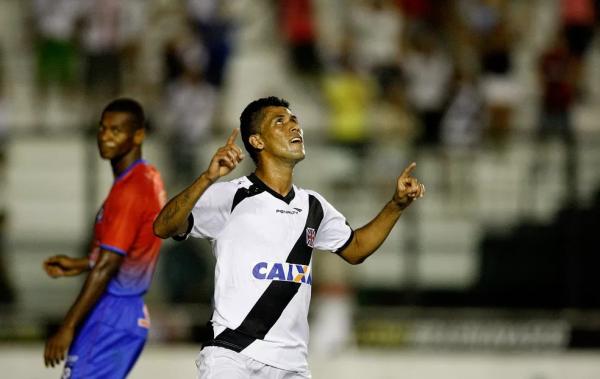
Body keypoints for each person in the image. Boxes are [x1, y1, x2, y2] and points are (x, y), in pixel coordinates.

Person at [153, 96, 425, 378]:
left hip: (292, 363)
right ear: (257, 141)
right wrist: (207, 178)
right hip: (233, 354)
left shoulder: (314, 206)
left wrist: (396, 205)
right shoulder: (232, 195)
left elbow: (356, 249)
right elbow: (163, 226)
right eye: (280, 121)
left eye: (294, 120)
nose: (294, 126)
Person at [42, 98, 166, 378]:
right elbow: (127, 250)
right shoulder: (148, 176)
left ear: (138, 135)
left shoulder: (129, 190)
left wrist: (68, 326)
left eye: (116, 130)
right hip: (129, 313)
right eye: (102, 128)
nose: (105, 136)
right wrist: (83, 263)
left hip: (112, 312)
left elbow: (109, 265)